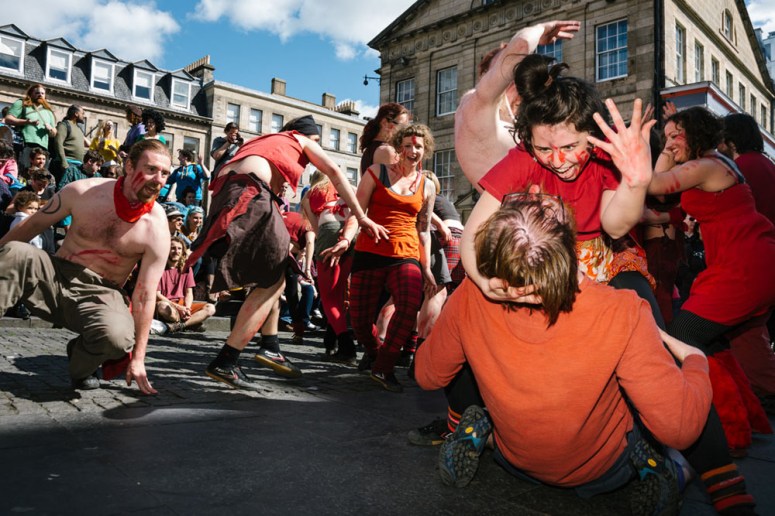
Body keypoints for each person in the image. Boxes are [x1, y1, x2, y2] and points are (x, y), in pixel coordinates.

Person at [415, 195, 712, 515]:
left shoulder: (472, 295)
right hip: (604, 471)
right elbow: (680, 427)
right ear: (574, 245)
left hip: (514, 458)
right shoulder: (622, 308)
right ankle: (655, 463)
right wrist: (697, 362)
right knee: (651, 419)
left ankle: (483, 431)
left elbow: (428, 375)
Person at [186, 114, 387, 390]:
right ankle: (227, 359)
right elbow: (335, 173)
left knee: (277, 274)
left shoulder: (265, 144)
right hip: (250, 191)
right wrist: (362, 217)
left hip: (228, 193)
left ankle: (270, 344)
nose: (312, 153)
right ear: (303, 135)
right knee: (274, 279)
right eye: (316, 141)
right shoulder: (299, 139)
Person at [647, 106, 775, 451]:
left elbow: (655, 186)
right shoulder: (717, 163)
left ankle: (724, 434)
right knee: (715, 342)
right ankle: (747, 421)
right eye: (668, 135)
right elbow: (670, 203)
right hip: (749, 263)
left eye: (677, 135)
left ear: (697, 134)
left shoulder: (705, 165)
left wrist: (660, 150)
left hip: (742, 269)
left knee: (682, 336)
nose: (671, 142)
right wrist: (673, 141)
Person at [0, 138, 172, 394]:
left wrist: (138, 358)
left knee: (118, 338)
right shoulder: (84, 191)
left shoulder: (157, 228)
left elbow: (145, 295)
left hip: (101, 293)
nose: (158, 179)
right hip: (55, 276)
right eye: (151, 169)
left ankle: (81, 364)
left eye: (165, 173)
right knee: (14, 253)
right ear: (128, 166)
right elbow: (32, 226)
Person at [345, 124, 436, 393]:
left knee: (408, 306)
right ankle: (374, 352)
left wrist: (427, 267)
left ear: (425, 150)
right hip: (369, 252)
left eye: (418, 146)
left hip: (406, 255)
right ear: (399, 147)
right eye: (407, 145)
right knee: (360, 322)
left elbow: (423, 229)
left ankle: (384, 367)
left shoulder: (427, 185)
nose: (412, 150)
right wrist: (344, 240)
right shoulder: (376, 172)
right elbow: (357, 211)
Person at [454, 21, 580, 190]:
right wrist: (541, 28)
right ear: (485, 75)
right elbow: (521, 46)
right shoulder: (476, 104)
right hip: (512, 211)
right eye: (506, 62)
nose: (516, 67)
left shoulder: (514, 116)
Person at [717, 113, 775, 407]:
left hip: (750, 257)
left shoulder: (741, 168)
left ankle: (765, 390)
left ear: (730, 140)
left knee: (746, 331)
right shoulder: (766, 164)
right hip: (765, 255)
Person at [300, 171, 357, 361]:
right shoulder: (347, 187)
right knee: (339, 293)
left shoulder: (311, 192)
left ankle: (346, 344)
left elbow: (316, 229)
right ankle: (331, 339)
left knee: (328, 297)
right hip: (351, 234)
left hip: (328, 231)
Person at [153, 236, 215, 334]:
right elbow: (157, 295)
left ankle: (181, 325)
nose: (176, 251)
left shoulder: (186, 268)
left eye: (179, 249)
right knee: (163, 306)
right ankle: (191, 323)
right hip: (168, 304)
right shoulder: (158, 268)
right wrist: (178, 307)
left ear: (182, 251)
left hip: (182, 304)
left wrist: (187, 308)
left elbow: (188, 292)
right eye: (172, 248)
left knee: (210, 308)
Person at [4, 84, 57, 173]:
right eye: (37, 93)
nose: (40, 95)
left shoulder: (49, 111)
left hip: (43, 148)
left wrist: (51, 129)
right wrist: (26, 122)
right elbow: (8, 119)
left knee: (40, 174)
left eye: (42, 93)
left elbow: (54, 133)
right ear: (31, 94)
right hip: (26, 144)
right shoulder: (22, 104)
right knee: (24, 171)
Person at [359, 103, 410, 174]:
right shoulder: (387, 151)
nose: (405, 131)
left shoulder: (368, 151)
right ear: (385, 123)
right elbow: (398, 184)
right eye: (402, 126)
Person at [51, 104, 88, 183]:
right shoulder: (64, 125)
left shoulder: (79, 128)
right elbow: (58, 143)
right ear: (76, 113)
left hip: (78, 165)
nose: (83, 116)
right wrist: (64, 162)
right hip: (67, 164)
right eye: (82, 113)